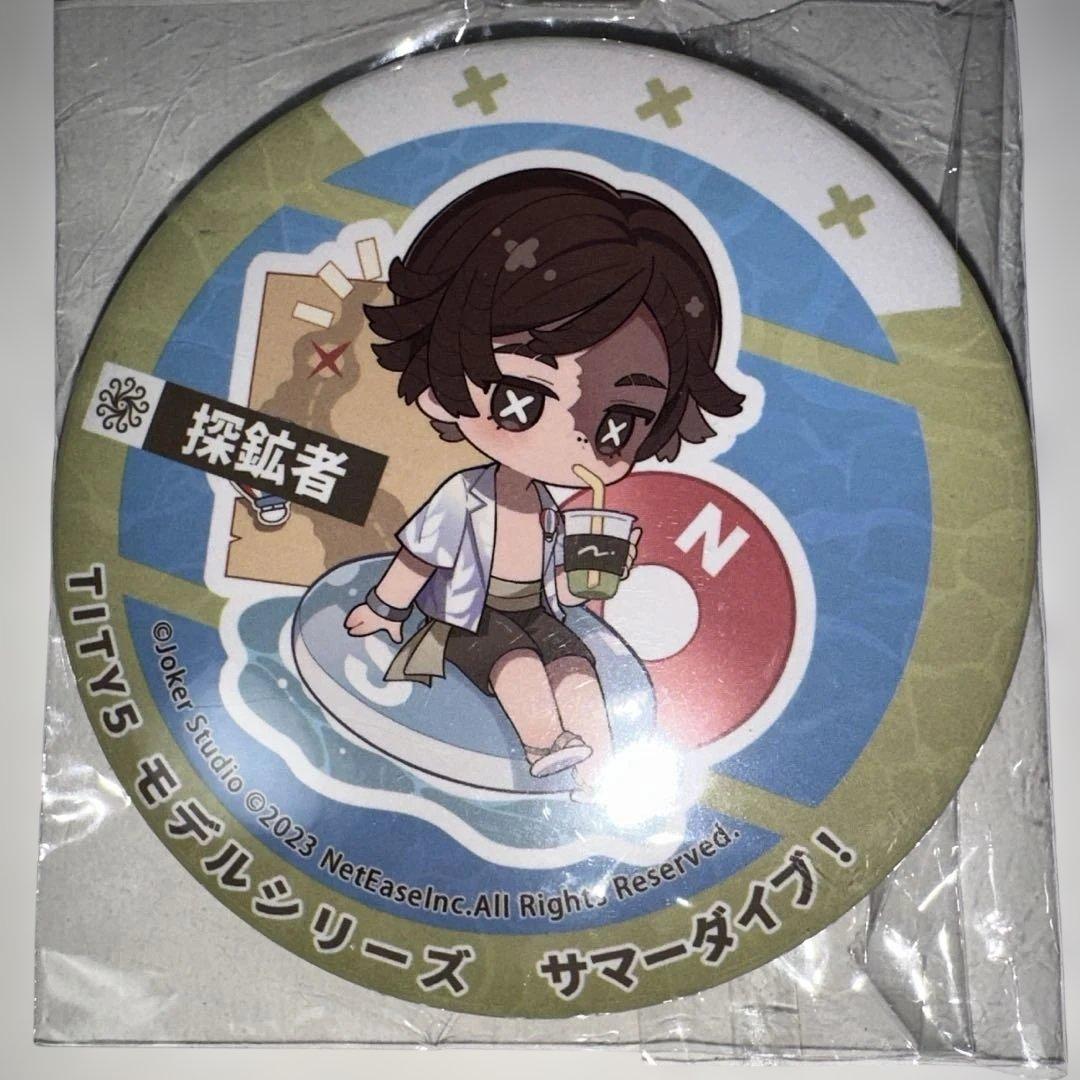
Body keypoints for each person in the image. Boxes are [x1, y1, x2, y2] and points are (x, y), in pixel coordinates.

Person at [344, 168, 744, 792]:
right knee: (517, 664)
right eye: (522, 396)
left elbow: (553, 583)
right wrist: (383, 606)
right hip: (470, 617)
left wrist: (590, 573)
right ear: (439, 387)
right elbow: (421, 557)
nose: (576, 439)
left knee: (576, 666)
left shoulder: (554, 511)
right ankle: (544, 745)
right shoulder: (464, 496)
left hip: (533, 609)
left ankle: (603, 774)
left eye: (619, 422)